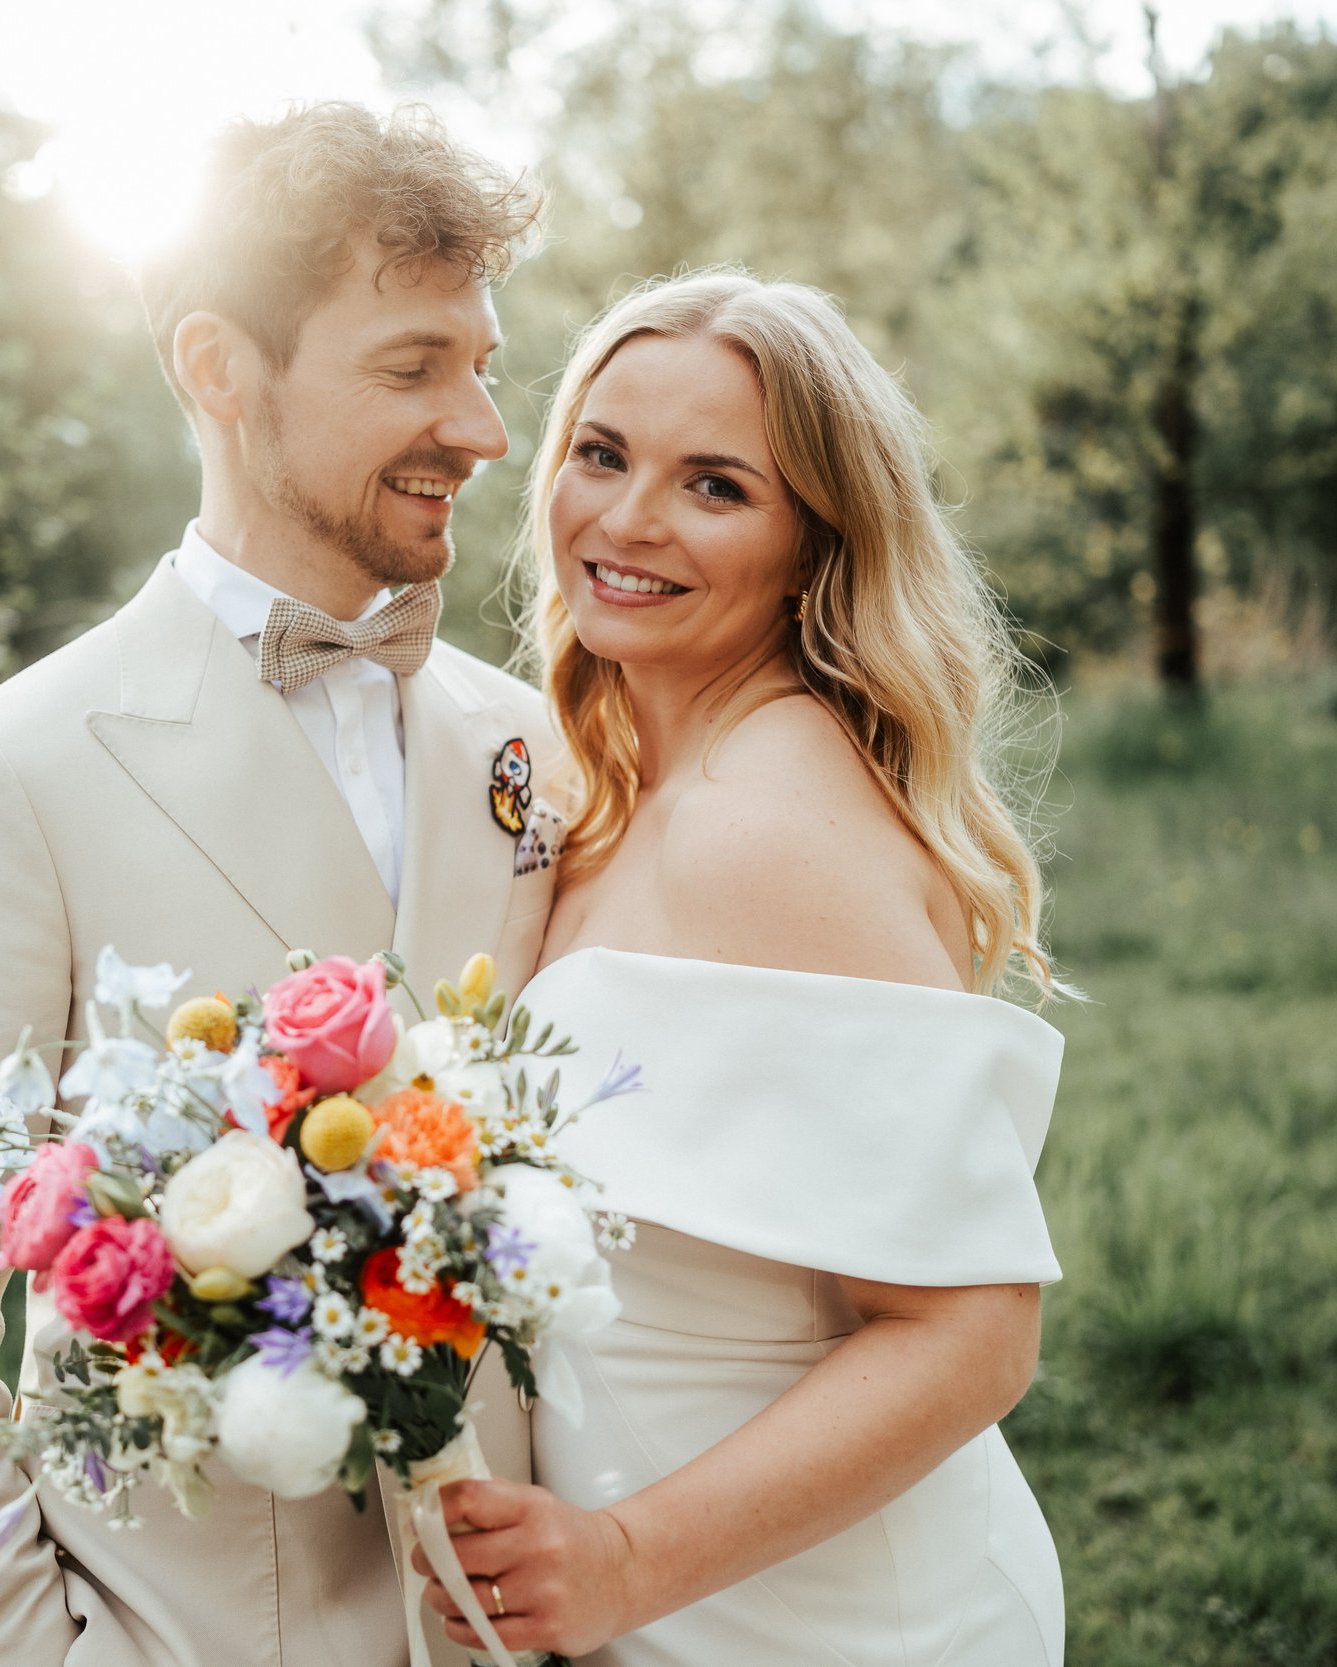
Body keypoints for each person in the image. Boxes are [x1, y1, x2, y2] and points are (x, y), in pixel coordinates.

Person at [0, 105, 561, 1667]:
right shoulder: (7, 775)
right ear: (218, 368)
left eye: (482, 364)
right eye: (414, 368)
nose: (485, 427)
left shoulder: (532, 742)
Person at [414, 272, 1070, 1665]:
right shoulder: (624, 785)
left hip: (834, 1618)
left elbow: (972, 1336)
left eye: (715, 486)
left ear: (813, 545)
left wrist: (627, 1559)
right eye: (601, 454)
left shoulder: (762, 826)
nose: (628, 519)